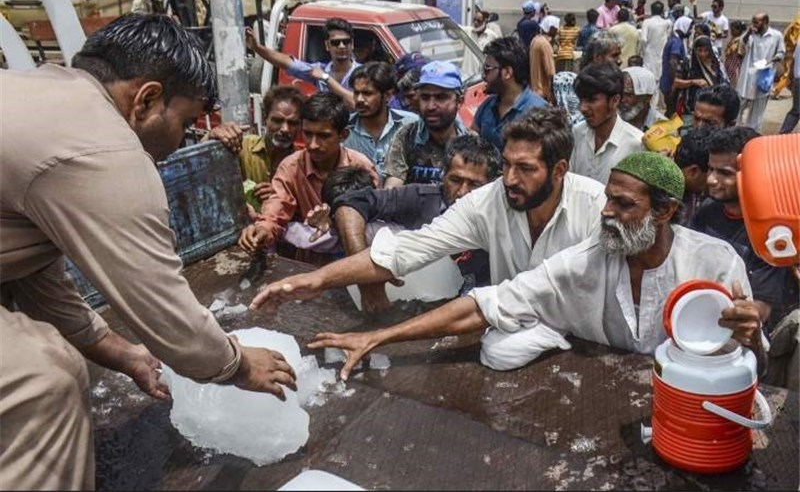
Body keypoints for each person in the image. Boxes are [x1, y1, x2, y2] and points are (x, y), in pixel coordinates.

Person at [0, 15, 297, 490]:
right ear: (147, 99)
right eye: (186, 121)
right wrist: (237, 363)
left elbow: (32, 272)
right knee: (44, 378)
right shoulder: (103, 149)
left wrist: (122, 353)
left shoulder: (45, 95)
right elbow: (160, 304)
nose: (184, 138)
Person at [303, 152, 766, 380]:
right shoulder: (589, 258)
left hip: (690, 402)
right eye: (607, 199)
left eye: (624, 205)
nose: (606, 212)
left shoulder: (714, 261)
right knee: (497, 351)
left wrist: (749, 338)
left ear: (664, 213)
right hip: (597, 392)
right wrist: (378, 337)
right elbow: (485, 306)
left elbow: (755, 358)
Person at [250, 107, 607, 370]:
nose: (511, 179)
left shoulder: (596, 207)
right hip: (515, 323)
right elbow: (406, 250)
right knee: (497, 354)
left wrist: (381, 336)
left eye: (526, 169)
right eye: (509, 164)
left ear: (559, 171)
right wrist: (315, 279)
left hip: (590, 335)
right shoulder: (488, 201)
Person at [328, 134, 501, 311]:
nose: (462, 192)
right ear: (443, 176)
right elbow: (348, 205)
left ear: (493, 185)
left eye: (474, 185)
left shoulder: (505, 219)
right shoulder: (423, 199)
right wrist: (365, 281)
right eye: (455, 180)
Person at [238, 92, 378, 255]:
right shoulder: (291, 167)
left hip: (355, 254)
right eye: (308, 134)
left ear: (343, 135)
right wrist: (263, 229)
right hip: (310, 259)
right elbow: (276, 207)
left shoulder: (361, 166)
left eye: (323, 136)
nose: (312, 145)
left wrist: (335, 221)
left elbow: (373, 216)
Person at [692, 127, 799, 333]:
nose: (711, 180)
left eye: (724, 173)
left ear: (751, 175)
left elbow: (764, 307)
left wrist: (741, 313)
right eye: (711, 169)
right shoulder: (706, 211)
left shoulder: (772, 230)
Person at [206, 86, 306, 218]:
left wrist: (280, 197)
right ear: (265, 118)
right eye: (277, 120)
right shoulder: (242, 147)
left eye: (292, 123)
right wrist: (212, 136)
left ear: (301, 126)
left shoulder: (304, 164)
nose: (285, 129)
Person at [382, 61, 471, 187]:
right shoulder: (406, 137)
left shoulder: (471, 143)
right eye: (425, 97)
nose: (430, 106)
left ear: (459, 101)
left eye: (441, 97)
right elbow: (392, 189)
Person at [570, 62, 645, 184]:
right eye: (581, 100)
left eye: (591, 100)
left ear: (614, 101)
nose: (582, 108)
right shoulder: (577, 133)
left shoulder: (636, 143)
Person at [344, 62, 421, 177]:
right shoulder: (344, 129)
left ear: (387, 95)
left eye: (367, 93)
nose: (359, 99)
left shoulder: (411, 124)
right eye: (356, 93)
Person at [245, 17, 360, 93]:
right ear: (327, 46)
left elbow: (353, 103)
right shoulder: (320, 69)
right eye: (335, 42)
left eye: (346, 41)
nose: (341, 46)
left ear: (352, 44)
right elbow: (287, 62)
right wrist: (257, 48)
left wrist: (325, 78)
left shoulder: (363, 73)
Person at [473, 37, 548, 149]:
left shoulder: (539, 113)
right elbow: (472, 136)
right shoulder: (487, 106)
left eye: (487, 69)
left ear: (507, 72)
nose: (484, 76)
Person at [736, 13, 786, 131]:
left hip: (763, 77)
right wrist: (748, 33)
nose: (754, 24)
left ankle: (752, 135)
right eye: (753, 21)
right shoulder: (751, 35)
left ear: (765, 22)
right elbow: (742, 46)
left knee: (757, 112)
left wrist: (772, 60)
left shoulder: (776, 35)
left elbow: (781, 53)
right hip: (747, 77)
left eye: (756, 22)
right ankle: (734, 131)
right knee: (738, 106)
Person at [673, 36, 727, 123]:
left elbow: (722, 82)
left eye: (706, 51)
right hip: (690, 109)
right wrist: (692, 82)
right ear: (695, 50)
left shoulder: (715, 64)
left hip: (712, 109)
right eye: (699, 50)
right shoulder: (688, 64)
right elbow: (676, 82)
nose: (702, 54)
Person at [673, 125, 713, 226]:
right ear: (693, 171)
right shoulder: (661, 199)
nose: (714, 180)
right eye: (712, 171)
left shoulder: (692, 192)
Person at [661, 16, 693, 117]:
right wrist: (674, 83)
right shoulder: (676, 43)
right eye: (690, 28)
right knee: (671, 111)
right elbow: (673, 62)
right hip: (670, 82)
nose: (691, 31)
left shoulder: (675, 40)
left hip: (668, 81)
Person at [639, 1, 672, 98]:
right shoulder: (667, 23)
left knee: (647, 80)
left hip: (649, 55)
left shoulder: (647, 22)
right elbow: (668, 37)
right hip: (662, 55)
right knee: (658, 81)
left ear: (652, 10)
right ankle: (655, 104)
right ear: (662, 11)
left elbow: (643, 39)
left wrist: (642, 52)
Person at [620, 66, 666, 131]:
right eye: (620, 93)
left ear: (648, 98)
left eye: (629, 95)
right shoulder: (612, 122)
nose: (622, 100)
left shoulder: (663, 128)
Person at [529, 27, 556, 103]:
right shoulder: (545, 45)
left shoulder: (535, 40)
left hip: (534, 88)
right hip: (543, 91)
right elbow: (550, 71)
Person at [779, 43, 800, 134]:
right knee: (796, 111)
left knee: (796, 110)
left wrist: (790, 78)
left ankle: (783, 133)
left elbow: (793, 61)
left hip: (797, 80)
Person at [724, 20, 747, 89]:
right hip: (729, 63)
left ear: (738, 30)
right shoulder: (733, 39)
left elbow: (739, 54)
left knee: (734, 83)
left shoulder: (740, 40)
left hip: (735, 64)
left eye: (733, 30)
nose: (731, 32)